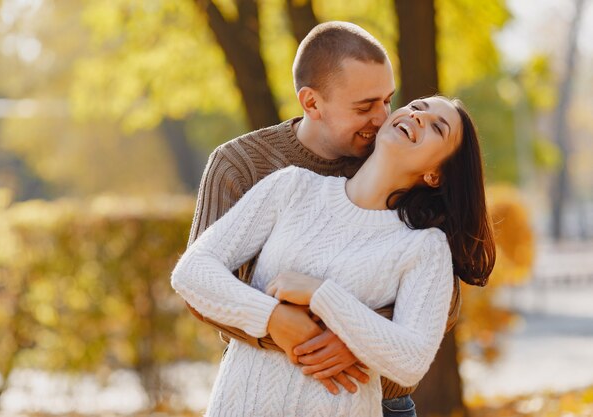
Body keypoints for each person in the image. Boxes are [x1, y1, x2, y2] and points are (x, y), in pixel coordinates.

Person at [184, 21, 462, 416]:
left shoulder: (391, 154)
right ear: (312, 103)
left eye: (388, 99)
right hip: (262, 388)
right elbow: (203, 288)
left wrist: (351, 335)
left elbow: (441, 298)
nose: (383, 117)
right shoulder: (242, 166)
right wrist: (285, 329)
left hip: (377, 398)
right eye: (365, 107)